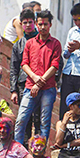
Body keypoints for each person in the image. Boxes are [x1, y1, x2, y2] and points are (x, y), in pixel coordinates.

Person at [14, 9, 61, 144]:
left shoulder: (55, 44)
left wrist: (39, 83)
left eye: (45, 24)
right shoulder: (29, 43)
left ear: (50, 25)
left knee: (44, 123)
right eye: (40, 24)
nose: (42, 27)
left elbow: (55, 66)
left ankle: (41, 154)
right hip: (30, 87)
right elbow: (24, 64)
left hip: (47, 89)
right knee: (20, 120)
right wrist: (35, 78)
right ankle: (19, 152)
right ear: (36, 24)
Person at [9, 8, 41, 141]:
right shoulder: (18, 45)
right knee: (24, 120)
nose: (27, 25)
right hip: (23, 86)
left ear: (35, 23)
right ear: (21, 24)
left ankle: (39, 152)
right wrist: (13, 90)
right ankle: (24, 153)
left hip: (40, 85)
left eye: (30, 22)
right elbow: (14, 68)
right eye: (24, 22)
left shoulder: (42, 40)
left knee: (39, 119)